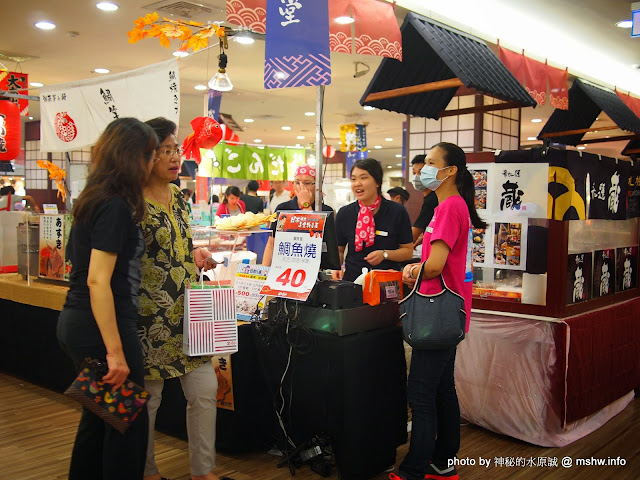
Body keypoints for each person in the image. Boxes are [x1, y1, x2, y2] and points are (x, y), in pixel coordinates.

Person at [56, 117, 159, 480]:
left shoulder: (94, 198)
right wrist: (114, 351)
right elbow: (98, 281)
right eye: (151, 156)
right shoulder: (115, 205)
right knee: (126, 425)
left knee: (101, 419)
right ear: (135, 158)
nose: (152, 164)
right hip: (100, 325)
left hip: (80, 321)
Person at [139, 117, 229, 480]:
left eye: (177, 149)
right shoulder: (131, 202)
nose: (176, 157)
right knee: (149, 400)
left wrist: (194, 253)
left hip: (191, 311)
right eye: (167, 150)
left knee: (205, 390)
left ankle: (202, 472)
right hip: (149, 317)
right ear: (146, 155)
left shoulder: (178, 196)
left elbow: (178, 242)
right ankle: (146, 471)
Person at [390, 142, 486, 480]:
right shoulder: (451, 206)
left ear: (450, 171)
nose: (423, 169)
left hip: (437, 313)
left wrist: (412, 270)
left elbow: (434, 268)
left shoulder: (449, 208)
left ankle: (415, 468)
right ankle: (443, 461)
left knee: (421, 391)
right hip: (449, 312)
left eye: (431, 162)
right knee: (442, 387)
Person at [332, 158, 413, 282]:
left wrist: (385, 254)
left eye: (363, 178)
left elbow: (407, 251)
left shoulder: (397, 211)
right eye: (353, 179)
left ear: (377, 182)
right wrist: (336, 267)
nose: (357, 183)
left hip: (386, 284)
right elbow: (339, 249)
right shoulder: (345, 213)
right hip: (352, 283)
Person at [262, 165, 333, 266]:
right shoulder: (283, 208)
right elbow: (271, 244)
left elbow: (314, 241)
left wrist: (306, 205)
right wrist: (264, 272)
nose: (301, 186)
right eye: (297, 182)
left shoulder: (325, 211)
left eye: (307, 183)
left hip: (313, 268)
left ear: (317, 186)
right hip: (284, 268)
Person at [410, 154, 439, 245]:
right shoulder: (429, 198)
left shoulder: (432, 200)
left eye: (421, 172)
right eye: (414, 173)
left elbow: (414, 234)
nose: (416, 177)